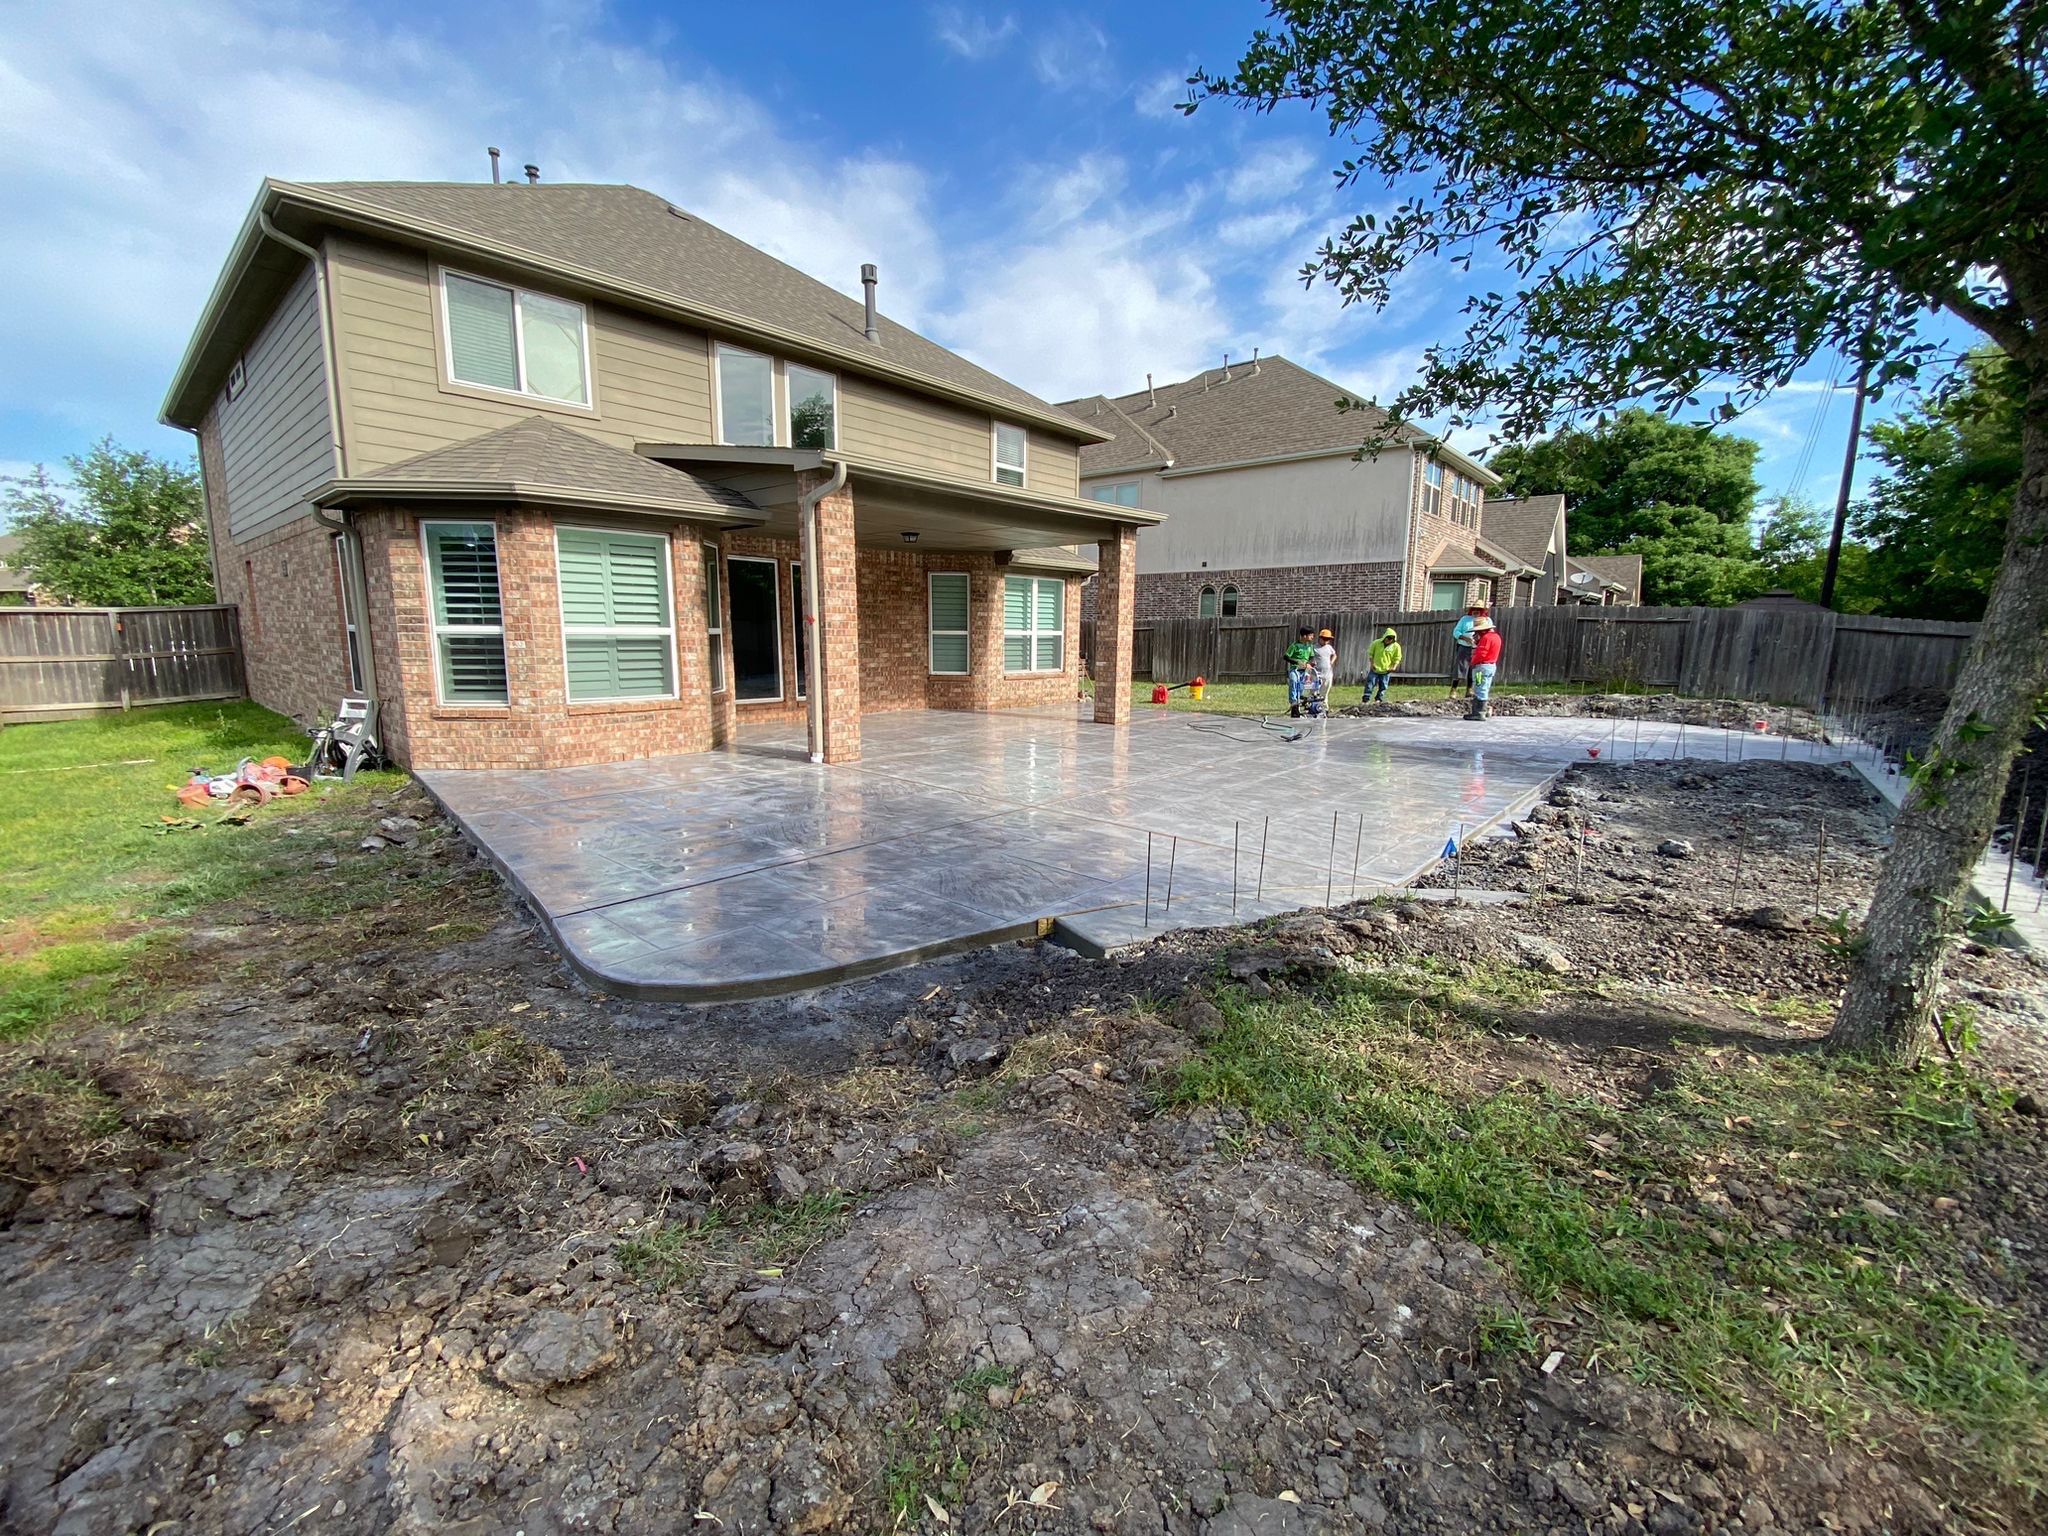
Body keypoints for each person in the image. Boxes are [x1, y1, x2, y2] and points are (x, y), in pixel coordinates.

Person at [1464, 617, 1503, 720]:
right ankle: (1484, 710)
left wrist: (1472, 662)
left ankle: (1479, 712)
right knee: (1485, 687)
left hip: (1481, 667)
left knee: (1479, 687)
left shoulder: (1486, 638)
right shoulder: (1496, 637)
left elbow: (1482, 653)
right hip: (1491, 666)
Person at [1449, 602, 1486, 697]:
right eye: (1474, 609)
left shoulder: (1486, 620)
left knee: (1475, 669)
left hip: (1478, 648)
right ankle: (1453, 689)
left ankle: (1471, 689)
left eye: (1478, 609)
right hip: (1464, 646)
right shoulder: (1465, 619)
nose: (1476, 611)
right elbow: (1456, 632)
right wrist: (1465, 638)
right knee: (1459, 667)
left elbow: (1489, 633)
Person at [1362, 627, 1402, 703]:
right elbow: (1371, 654)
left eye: (1391, 639)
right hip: (1375, 669)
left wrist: (1394, 667)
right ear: (1384, 637)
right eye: (1388, 638)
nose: (1389, 640)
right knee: (1370, 684)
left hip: (1386, 670)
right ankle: (1366, 699)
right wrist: (1372, 664)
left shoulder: (1396, 647)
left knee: (1383, 686)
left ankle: (1378, 699)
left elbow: (1397, 658)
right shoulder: (1376, 643)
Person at [1284, 627, 1315, 717]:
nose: (1312, 637)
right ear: (1304, 636)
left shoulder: (1310, 646)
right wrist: (1297, 662)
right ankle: (1294, 704)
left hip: (1305, 671)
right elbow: (1286, 656)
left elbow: (1312, 657)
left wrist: (1310, 663)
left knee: (1302, 687)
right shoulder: (1294, 646)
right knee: (1294, 682)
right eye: (1311, 635)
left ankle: (1300, 704)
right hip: (1295, 670)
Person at [1313, 628, 1337, 695]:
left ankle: (1324, 704)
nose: (1326, 641)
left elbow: (1334, 655)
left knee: (1325, 692)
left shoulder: (1329, 647)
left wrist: (1331, 662)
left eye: (1328, 639)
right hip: (1317, 674)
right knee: (1314, 692)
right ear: (1320, 638)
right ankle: (1314, 704)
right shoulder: (1314, 647)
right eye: (1324, 639)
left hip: (1328, 674)